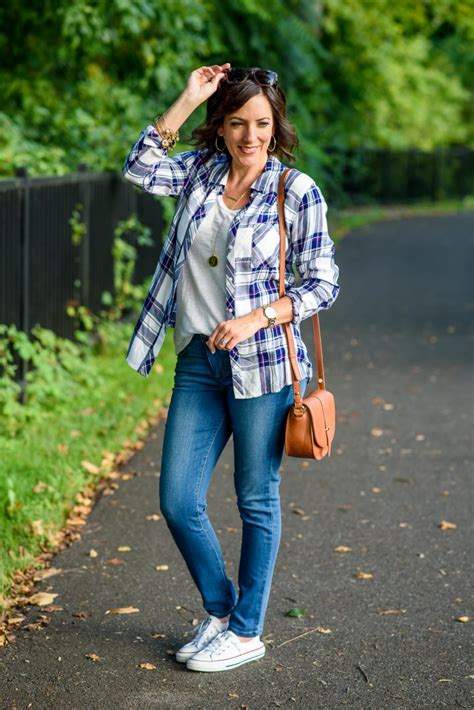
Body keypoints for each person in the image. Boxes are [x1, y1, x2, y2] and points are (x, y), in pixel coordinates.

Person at [122, 63, 340, 672]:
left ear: (277, 127)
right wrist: (190, 96)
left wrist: (258, 318)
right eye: (238, 122)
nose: (250, 136)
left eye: (262, 124)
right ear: (220, 128)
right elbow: (139, 167)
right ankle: (221, 611)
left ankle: (247, 630)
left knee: (256, 500)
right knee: (177, 499)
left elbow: (323, 283)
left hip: (264, 367)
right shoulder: (199, 173)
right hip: (197, 360)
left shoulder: (295, 192)